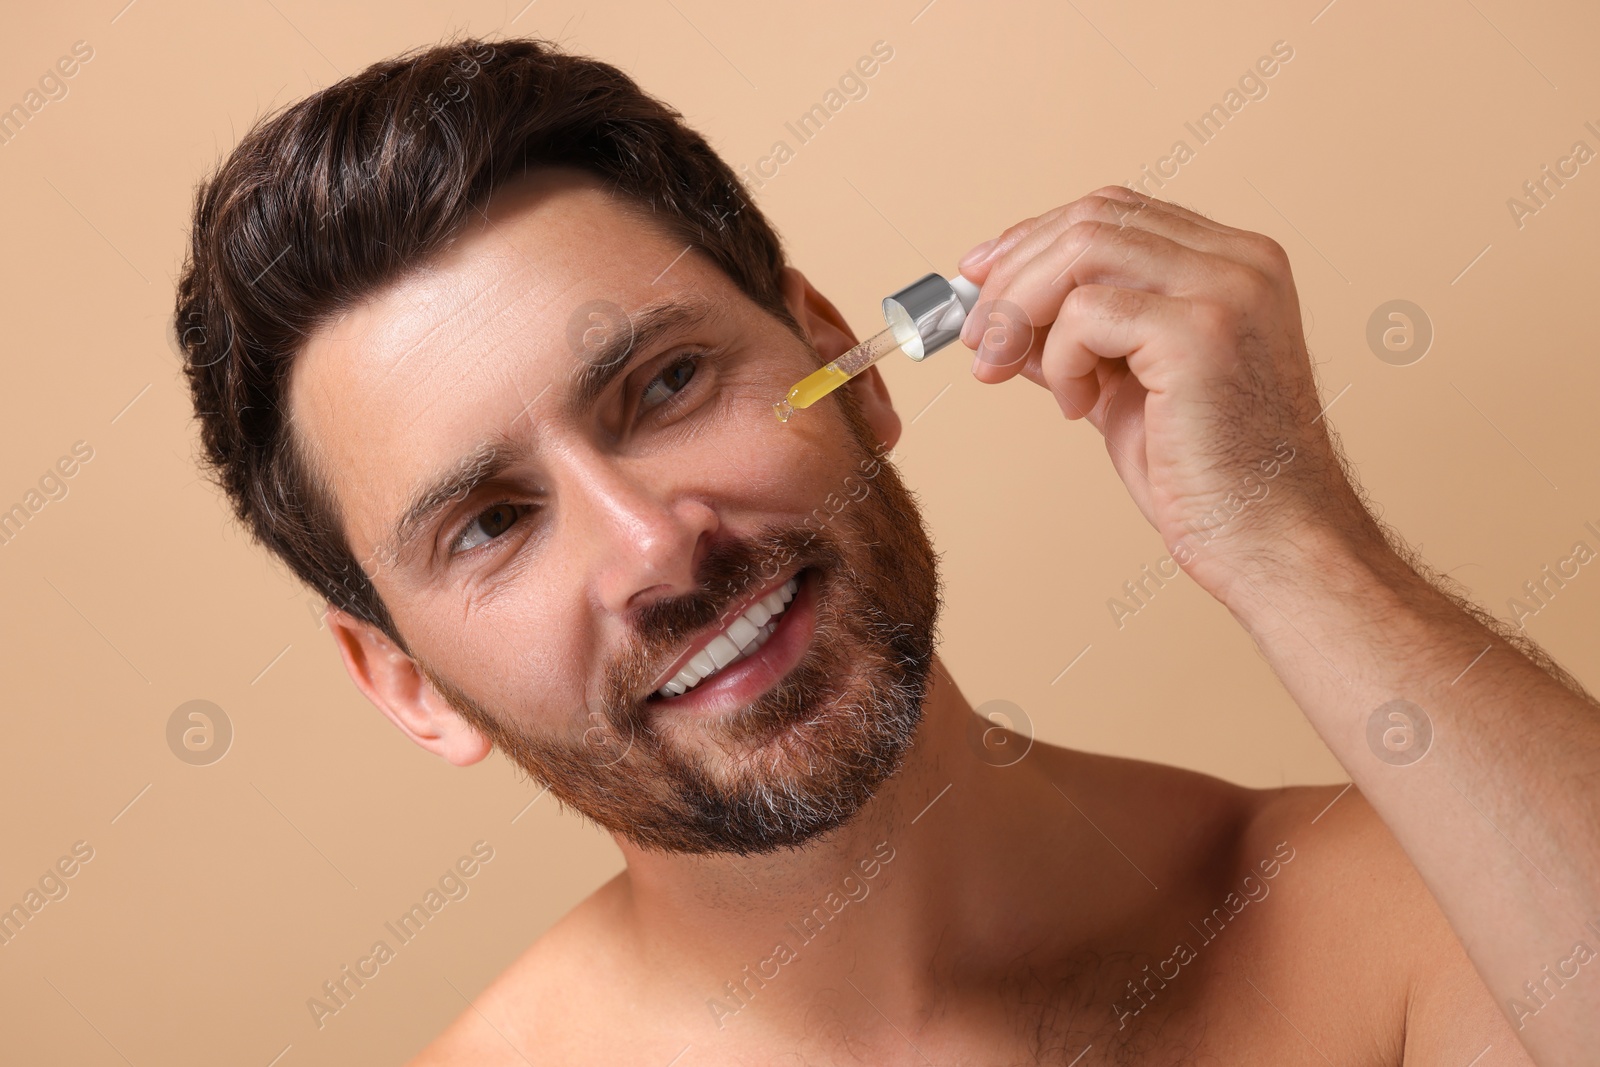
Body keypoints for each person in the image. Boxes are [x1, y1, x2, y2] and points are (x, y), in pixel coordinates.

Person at [173, 36, 1598, 1066]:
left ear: (845, 361)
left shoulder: (1396, 913)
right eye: (492, 523)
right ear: (403, 683)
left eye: (666, 386)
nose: (657, 546)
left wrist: (1295, 543)